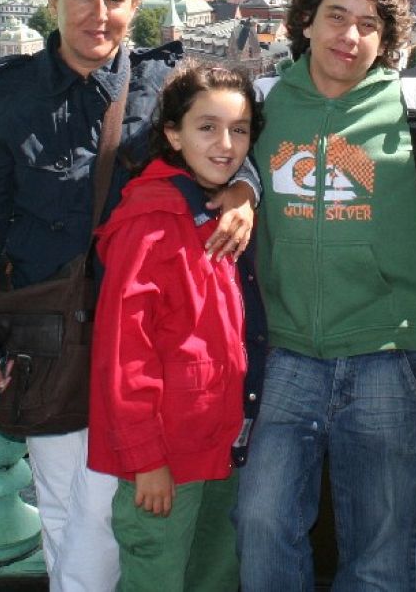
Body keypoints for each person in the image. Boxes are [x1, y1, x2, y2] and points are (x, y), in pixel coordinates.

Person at [0, 0, 255, 592]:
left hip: (141, 341)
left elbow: (226, 137)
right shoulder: (9, 97)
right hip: (50, 337)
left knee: (100, 517)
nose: (99, 14)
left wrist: (243, 191)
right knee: (63, 506)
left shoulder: (163, 83)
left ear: (136, 3)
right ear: (53, 0)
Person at [235, 0, 416, 592]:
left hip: (387, 353)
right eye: (337, 16)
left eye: (368, 24)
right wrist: (241, 187)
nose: (350, 36)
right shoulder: (262, 105)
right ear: (306, 22)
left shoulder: (413, 110)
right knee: (260, 523)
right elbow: (202, 162)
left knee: (383, 549)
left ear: (384, 40)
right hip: (283, 354)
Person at [88, 63, 265, 592]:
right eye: (207, 128)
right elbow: (125, 354)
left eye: (239, 130)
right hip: (167, 459)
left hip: (221, 444)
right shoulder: (151, 222)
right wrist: (146, 461)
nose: (226, 145)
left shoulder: (217, 210)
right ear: (173, 134)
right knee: (157, 577)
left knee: (215, 576)